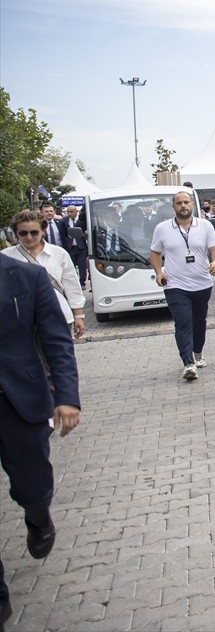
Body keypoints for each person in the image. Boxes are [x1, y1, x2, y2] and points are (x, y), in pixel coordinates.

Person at [0, 257, 81, 628]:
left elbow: (56, 340)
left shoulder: (27, 277)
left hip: (20, 401)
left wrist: (66, 396)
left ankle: (37, 515)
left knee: (31, 485)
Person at [150, 191, 215, 381]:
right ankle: (188, 363)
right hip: (175, 284)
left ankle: (197, 352)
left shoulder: (205, 226)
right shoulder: (162, 228)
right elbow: (155, 253)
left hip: (202, 282)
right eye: (179, 203)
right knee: (183, 322)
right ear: (173, 207)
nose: (183, 206)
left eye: (186, 202)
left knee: (199, 321)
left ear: (192, 205)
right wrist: (159, 272)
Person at [2, 210, 86, 339]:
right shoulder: (6, 257)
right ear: (16, 233)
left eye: (34, 232)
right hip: (20, 323)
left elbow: (72, 286)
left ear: (43, 231)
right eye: (23, 233)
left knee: (59, 358)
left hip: (58, 318)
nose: (29, 237)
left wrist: (78, 316)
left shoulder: (59, 254)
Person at [58, 205, 88, 287]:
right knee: (71, 266)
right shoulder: (64, 221)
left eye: (71, 212)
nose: (69, 213)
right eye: (68, 212)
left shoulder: (82, 220)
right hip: (71, 247)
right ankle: (73, 283)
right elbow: (63, 234)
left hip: (81, 246)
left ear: (76, 212)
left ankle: (82, 282)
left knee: (82, 266)